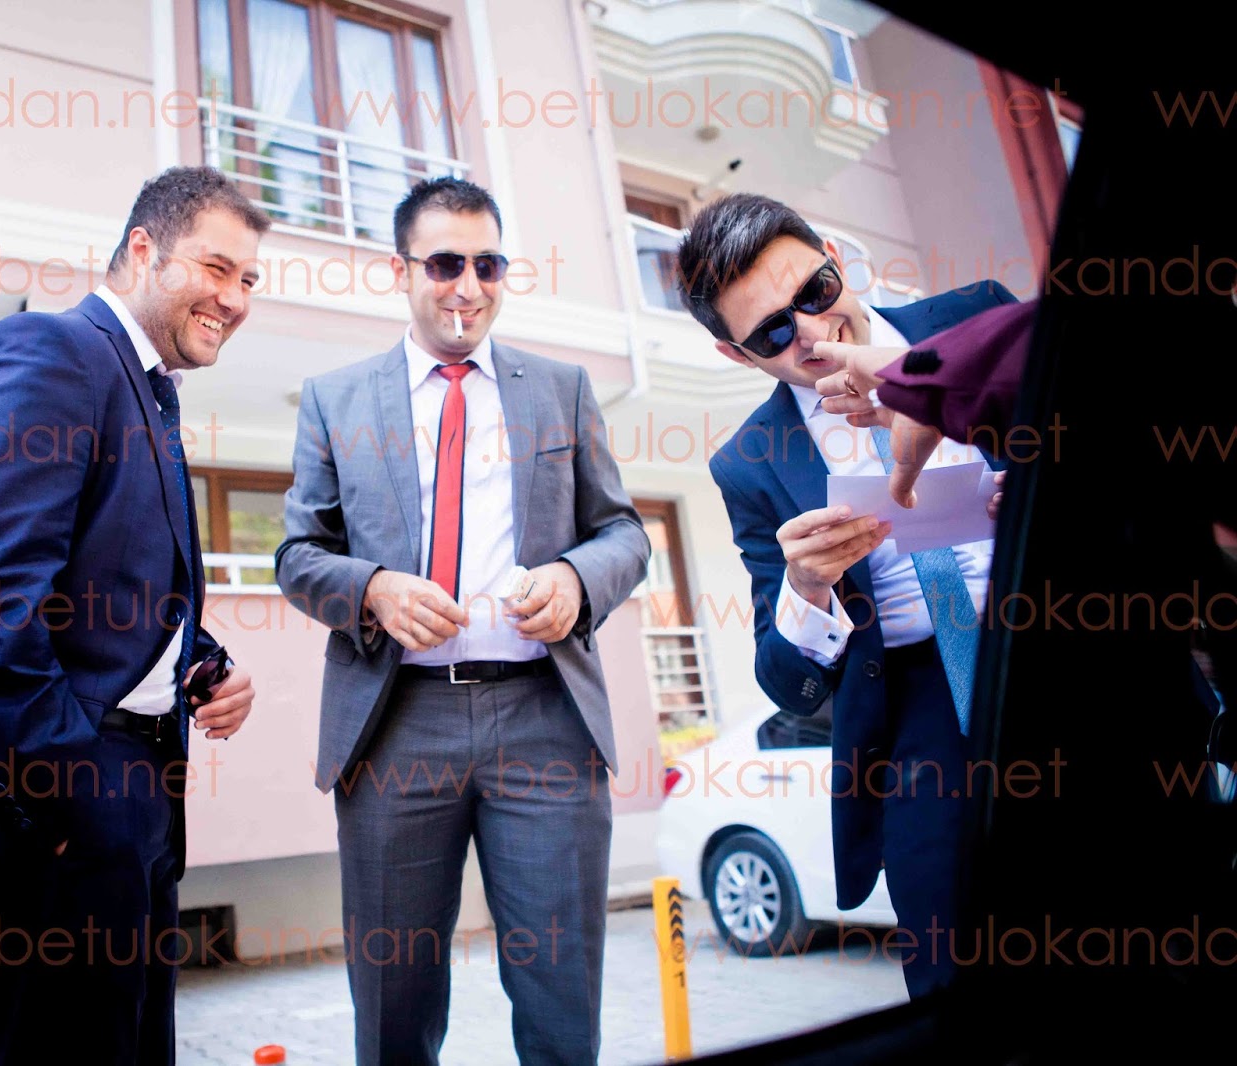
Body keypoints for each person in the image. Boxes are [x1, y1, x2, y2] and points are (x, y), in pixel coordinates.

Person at [276, 177, 650, 1065]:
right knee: (394, 1000)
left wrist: (576, 576)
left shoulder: (560, 389)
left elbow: (625, 534)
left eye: (489, 265)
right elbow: (297, 556)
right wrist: (373, 589)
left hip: (545, 720)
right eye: (446, 264)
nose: (469, 287)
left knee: (561, 995)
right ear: (400, 271)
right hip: (396, 725)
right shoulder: (335, 399)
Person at [0, 167, 262, 1065]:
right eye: (216, 267)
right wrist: (74, 796)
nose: (234, 298)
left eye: (249, 279)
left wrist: (202, 662)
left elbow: (118, 590)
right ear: (143, 249)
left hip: (141, 798)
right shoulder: (52, 349)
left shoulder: (150, 390)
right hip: (63, 804)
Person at [676, 192, 1019, 997]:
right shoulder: (751, 462)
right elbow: (785, 681)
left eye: (816, 291)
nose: (812, 331)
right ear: (737, 355)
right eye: (772, 333)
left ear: (834, 257)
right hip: (920, 719)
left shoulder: (975, 316)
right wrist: (807, 588)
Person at [812, 298, 1039, 509]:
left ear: (840, 269)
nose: (816, 334)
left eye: (814, 293)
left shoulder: (981, 301)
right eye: (788, 330)